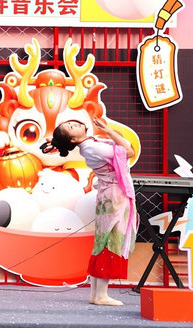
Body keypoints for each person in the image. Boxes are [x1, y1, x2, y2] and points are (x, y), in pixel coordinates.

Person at [43, 115, 137, 306]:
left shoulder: (90, 145)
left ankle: (96, 294)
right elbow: (128, 151)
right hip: (115, 196)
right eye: (70, 126)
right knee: (110, 240)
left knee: (102, 241)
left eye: (71, 122)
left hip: (109, 194)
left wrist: (107, 132)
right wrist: (108, 130)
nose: (74, 123)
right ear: (73, 139)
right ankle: (101, 295)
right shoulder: (93, 147)